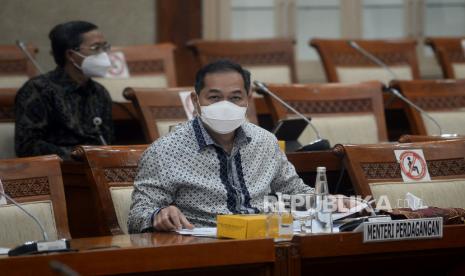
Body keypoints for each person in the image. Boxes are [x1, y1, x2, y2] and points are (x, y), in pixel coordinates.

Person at [128, 59, 315, 233]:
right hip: (206, 249)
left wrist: (328, 200)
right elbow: (137, 217)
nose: (225, 106)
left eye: (235, 98)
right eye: (215, 97)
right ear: (196, 100)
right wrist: (158, 215)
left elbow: (295, 192)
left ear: (248, 99)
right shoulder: (164, 151)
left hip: (267, 239)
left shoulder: (265, 141)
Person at [15, 21, 114, 160]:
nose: (103, 54)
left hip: (96, 170)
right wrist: (77, 156)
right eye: (96, 47)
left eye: (105, 47)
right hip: (58, 173)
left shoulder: (100, 93)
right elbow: (27, 146)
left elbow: (108, 141)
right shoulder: (39, 90)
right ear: (71, 55)